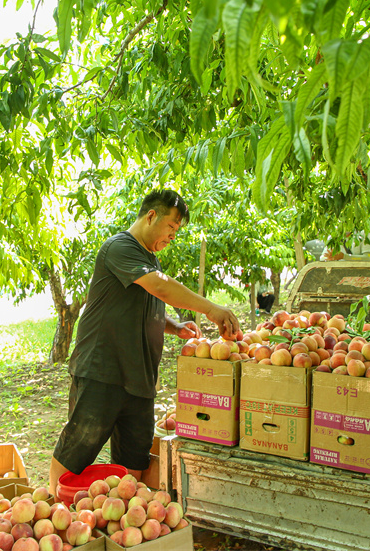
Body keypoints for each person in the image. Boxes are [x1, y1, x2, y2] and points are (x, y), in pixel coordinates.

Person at [49, 189, 241, 495]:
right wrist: (211, 308)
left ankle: (125, 520)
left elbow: (141, 306)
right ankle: (51, 505)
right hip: (104, 371)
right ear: (151, 216)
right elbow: (160, 289)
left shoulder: (149, 260)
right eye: (172, 228)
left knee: (133, 462)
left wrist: (175, 327)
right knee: (77, 449)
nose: (172, 237)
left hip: (139, 379)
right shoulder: (120, 247)